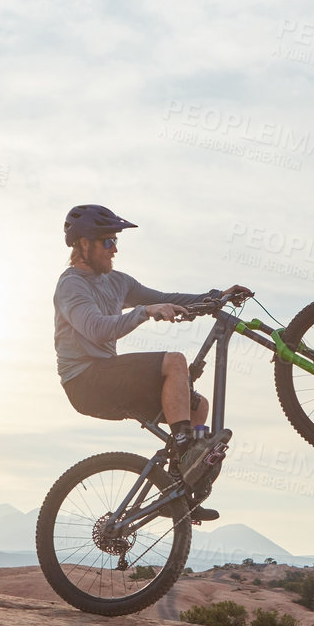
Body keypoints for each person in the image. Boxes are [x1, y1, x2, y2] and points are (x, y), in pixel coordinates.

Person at [53, 205, 249, 520]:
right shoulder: (71, 286)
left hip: (109, 378)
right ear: (83, 244)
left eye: (115, 241)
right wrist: (144, 312)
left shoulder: (118, 282)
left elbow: (168, 297)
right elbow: (96, 328)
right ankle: (186, 450)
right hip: (85, 381)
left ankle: (180, 490)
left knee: (197, 407)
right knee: (174, 363)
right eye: (107, 242)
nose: (114, 249)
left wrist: (215, 298)